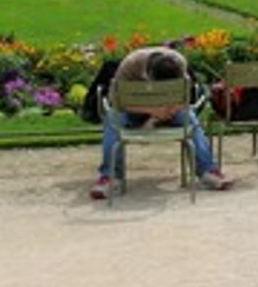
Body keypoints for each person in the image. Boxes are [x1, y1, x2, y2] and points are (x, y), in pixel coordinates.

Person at [89, 45, 232, 199]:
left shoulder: (179, 62)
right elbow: (116, 101)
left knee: (189, 118)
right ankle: (110, 176)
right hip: (134, 110)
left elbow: (185, 98)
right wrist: (152, 111)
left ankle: (207, 171)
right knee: (113, 118)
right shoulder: (131, 64)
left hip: (170, 109)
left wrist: (160, 115)